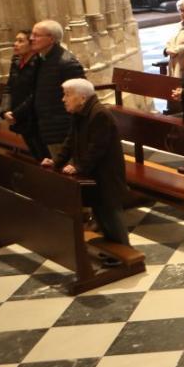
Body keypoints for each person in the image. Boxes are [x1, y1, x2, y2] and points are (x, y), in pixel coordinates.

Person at [43, 79, 129, 254]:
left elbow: (97, 148)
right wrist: (56, 162)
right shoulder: (80, 113)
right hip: (93, 173)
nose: (63, 99)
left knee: (112, 216)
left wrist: (78, 167)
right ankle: (114, 254)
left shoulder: (99, 114)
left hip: (106, 175)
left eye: (67, 95)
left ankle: (128, 254)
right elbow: (70, 141)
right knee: (100, 215)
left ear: (82, 97)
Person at [0, 30, 41, 157]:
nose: (15, 44)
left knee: (44, 155)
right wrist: (5, 110)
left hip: (34, 117)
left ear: (31, 44)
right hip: (19, 118)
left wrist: (15, 113)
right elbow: (9, 87)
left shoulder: (39, 63)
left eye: (20, 41)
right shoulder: (16, 61)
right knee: (35, 154)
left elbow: (36, 93)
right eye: (16, 40)